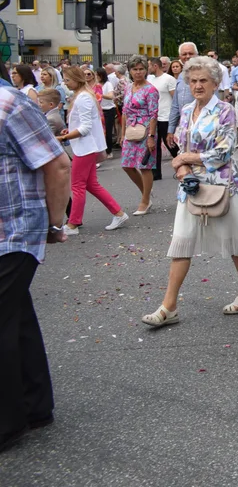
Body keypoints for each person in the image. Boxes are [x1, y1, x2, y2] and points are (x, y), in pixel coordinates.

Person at [141, 56, 238, 329]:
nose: (197, 85)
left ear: (216, 82)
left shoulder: (225, 110)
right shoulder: (186, 110)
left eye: (203, 80)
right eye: (192, 81)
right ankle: (168, 306)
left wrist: (185, 159)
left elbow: (224, 151)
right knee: (181, 241)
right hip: (191, 184)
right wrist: (182, 168)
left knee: (234, 242)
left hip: (220, 185)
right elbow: (180, 149)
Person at [0, 82, 70, 453]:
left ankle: (7, 422)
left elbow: (58, 165)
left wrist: (55, 224)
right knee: (16, 314)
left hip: (13, 230)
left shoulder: (9, 103)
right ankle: (34, 404)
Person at [57, 66, 128, 235]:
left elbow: (85, 127)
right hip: (86, 146)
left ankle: (73, 223)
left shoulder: (83, 97)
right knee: (89, 184)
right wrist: (70, 131)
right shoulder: (84, 95)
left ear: (76, 79)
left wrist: (65, 137)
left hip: (85, 147)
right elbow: (85, 125)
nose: (66, 84)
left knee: (78, 185)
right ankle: (118, 213)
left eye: (68, 80)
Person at [119, 56, 158, 215]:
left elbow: (154, 114)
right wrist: (122, 134)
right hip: (131, 129)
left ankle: (145, 201)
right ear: (129, 70)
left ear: (146, 70)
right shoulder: (128, 87)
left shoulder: (150, 89)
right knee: (127, 165)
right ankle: (146, 193)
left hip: (146, 129)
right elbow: (124, 112)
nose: (138, 72)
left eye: (141, 69)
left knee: (145, 166)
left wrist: (151, 136)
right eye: (135, 69)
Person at [148, 57, 177, 179]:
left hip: (166, 115)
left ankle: (182, 163)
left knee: (168, 142)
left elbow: (174, 98)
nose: (147, 68)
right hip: (154, 116)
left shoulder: (168, 79)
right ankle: (156, 172)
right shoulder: (150, 79)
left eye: (149, 65)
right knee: (154, 144)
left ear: (155, 66)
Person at [167, 42, 199, 151]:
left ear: (196, 55)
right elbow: (176, 104)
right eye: (184, 54)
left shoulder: (205, 73)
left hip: (201, 124)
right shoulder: (180, 76)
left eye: (191, 53)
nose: (188, 56)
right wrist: (170, 130)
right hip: (184, 125)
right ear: (180, 57)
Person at [95, 68, 117, 158]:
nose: (96, 77)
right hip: (99, 109)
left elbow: (111, 96)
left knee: (108, 131)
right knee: (99, 131)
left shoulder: (108, 84)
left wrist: (100, 95)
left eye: (98, 75)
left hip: (108, 109)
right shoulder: (95, 85)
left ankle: (109, 150)